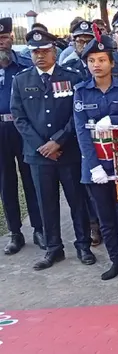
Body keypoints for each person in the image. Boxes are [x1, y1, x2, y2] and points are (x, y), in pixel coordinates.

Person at [11, 29, 95, 270]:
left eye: (45, 51)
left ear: (54, 52)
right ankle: (53, 248)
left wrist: (58, 141)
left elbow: (76, 112)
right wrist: (42, 146)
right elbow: (19, 117)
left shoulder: (72, 77)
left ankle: (83, 245)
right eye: (35, 52)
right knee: (45, 202)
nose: (40, 56)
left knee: (76, 201)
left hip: (67, 151)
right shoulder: (21, 79)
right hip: (38, 155)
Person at [73, 34, 118, 280]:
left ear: (112, 63)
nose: (96, 65)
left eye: (102, 59)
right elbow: (81, 132)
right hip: (95, 169)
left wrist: (113, 121)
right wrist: (93, 167)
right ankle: (115, 261)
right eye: (91, 60)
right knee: (105, 218)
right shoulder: (81, 92)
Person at [0, 17, 44, 255]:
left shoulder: (25, 65)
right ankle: (15, 233)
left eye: (5, 37)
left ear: (12, 39)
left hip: (23, 129)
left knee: (30, 178)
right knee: (5, 183)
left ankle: (39, 228)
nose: (1, 42)